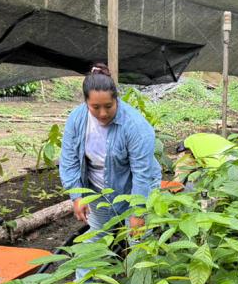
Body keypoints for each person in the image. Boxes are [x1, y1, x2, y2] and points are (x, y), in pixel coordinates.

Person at [59, 64, 162, 271]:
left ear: (116, 99)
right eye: (95, 107)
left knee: (139, 244)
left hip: (136, 189)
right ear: (86, 102)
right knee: (96, 241)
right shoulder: (77, 120)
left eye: (108, 106)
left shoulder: (135, 126)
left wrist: (138, 212)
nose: (103, 113)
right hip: (100, 192)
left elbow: (142, 174)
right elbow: (68, 160)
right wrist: (77, 196)